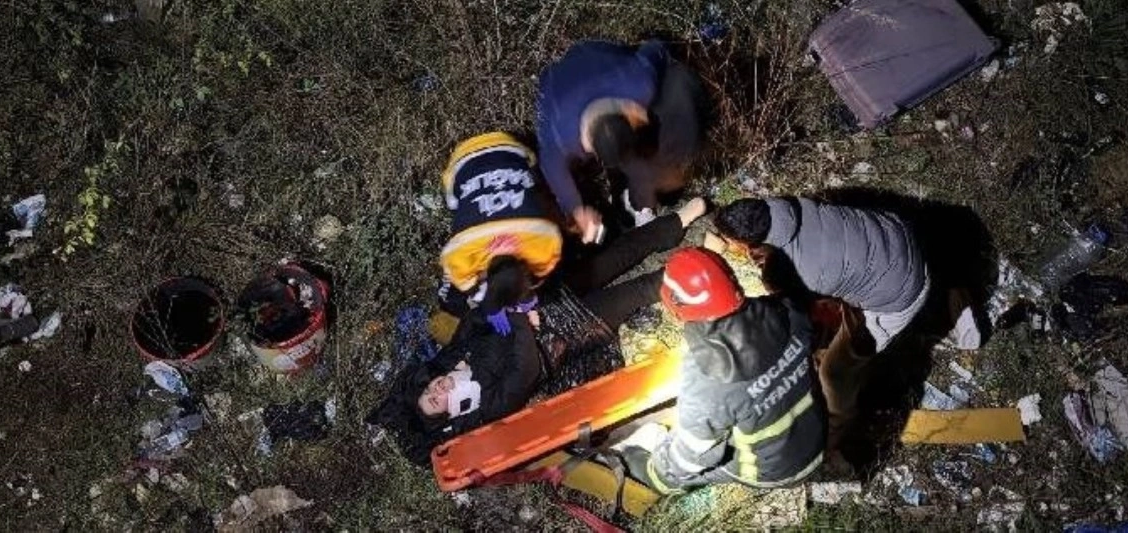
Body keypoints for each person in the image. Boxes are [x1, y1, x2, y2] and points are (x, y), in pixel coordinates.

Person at [370, 198, 710, 463]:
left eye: (429, 389)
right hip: (564, 335)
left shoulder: (453, 360)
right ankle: (703, 265)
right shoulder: (486, 406)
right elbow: (525, 371)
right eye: (436, 400)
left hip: (539, 303)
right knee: (639, 291)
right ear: (449, 412)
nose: (437, 388)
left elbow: (473, 323)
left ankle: (676, 222)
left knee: (612, 257)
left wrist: (497, 306)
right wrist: (521, 321)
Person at [710, 197, 929, 438]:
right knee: (835, 305)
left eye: (735, 244)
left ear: (752, 243)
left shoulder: (790, 270)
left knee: (834, 372)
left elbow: (790, 320)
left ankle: (839, 427)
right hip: (895, 235)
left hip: (901, 290)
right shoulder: (787, 206)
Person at [621, 247, 826, 492]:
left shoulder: (706, 376)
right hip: (817, 439)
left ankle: (649, 479)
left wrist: (657, 464)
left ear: (675, 304)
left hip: (774, 470)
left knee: (657, 468)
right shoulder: (789, 311)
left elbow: (694, 456)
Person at [536, 39, 707, 242]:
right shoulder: (558, 136)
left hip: (598, 56)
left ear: (633, 113)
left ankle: (643, 194)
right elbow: (554, 173)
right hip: (558, 78)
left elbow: (658, 47)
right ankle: (635, 195)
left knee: (680, 80)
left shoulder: (639, 81)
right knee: (632, 161)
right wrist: (576, 209)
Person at [436, 132, 563, 335]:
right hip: (478, 154)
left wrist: (524, 300)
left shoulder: (544, 241)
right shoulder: (460, 252)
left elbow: (539, 274)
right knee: (455, 204)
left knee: (534, 188)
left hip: (505, 149)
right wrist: (494, 304)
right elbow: (465, 284)